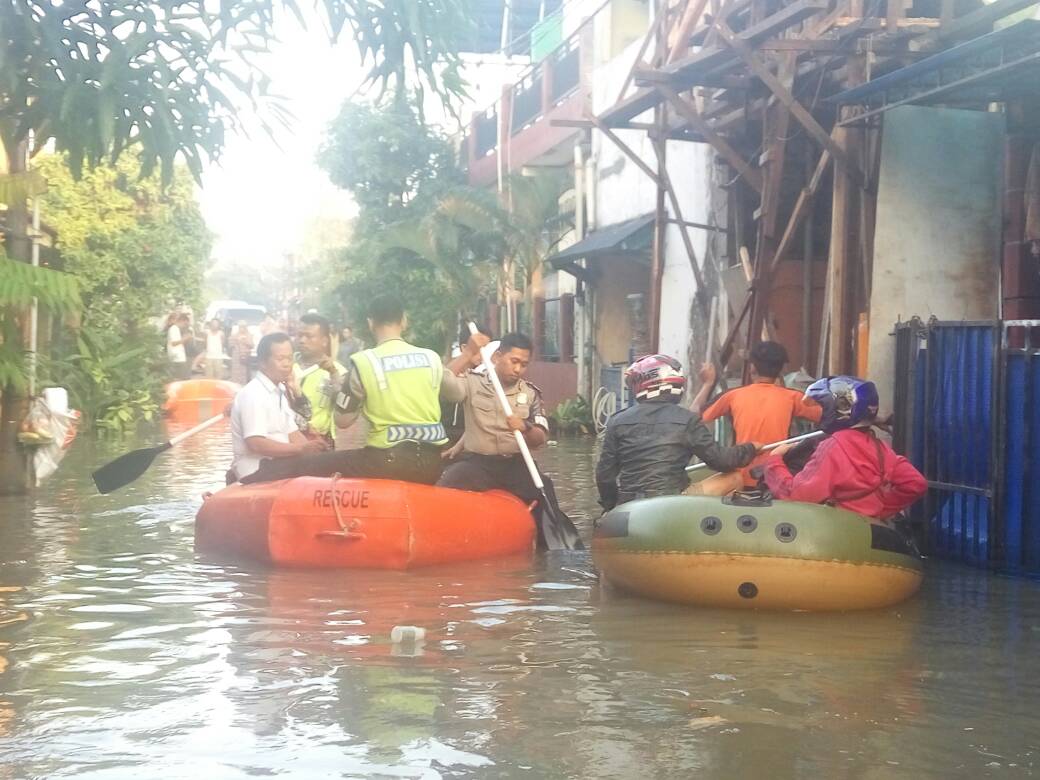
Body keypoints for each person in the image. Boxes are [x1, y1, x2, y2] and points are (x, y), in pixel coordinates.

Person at [240, 295, 484, 485]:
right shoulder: (430, 359)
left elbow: (343, 420)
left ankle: (260, 486)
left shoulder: (365, 362)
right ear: (404, 321)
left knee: (311, 463)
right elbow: (459, 393)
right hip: (431, 462)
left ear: (370, 323)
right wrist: (468, 355)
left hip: (386, 461)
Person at [596, 354, 760, 510]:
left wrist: (611, 507)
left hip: (630, 503)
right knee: (735, 478)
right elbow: (720, 461)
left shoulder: (617, 421)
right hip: (673, 502)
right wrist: (751, 448)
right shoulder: (687, 420)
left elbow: (605, 476)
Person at [764, 376, 927, 520]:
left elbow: (796, 496)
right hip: (870, 531)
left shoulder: (833, 446)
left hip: (837, 535)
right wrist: (880, 509)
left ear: (842, 409)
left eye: (826, 408)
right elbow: (916, 483)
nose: (824, 414)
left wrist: (774, 461)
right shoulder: (881, 449)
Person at [437, 333, 553, 505]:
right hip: (478, 464)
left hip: (514, 464)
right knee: (444, 487)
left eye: (524, 364)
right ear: (498, 357)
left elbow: (540, 439)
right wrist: (468, 354)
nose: (517, 369)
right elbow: (443, 383)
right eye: (513, 361)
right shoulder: (472, 383)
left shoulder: (531, 394)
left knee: (546, 488)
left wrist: (525, 427)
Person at [690, 341, 822, 491]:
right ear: (779, 370)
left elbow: (693, 416)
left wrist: (708, 383)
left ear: (752, 368)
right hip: (775, 479)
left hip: (740, 481)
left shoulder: (733, 395)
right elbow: (830, 417)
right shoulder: (793, 398)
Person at [227, 332, 327, 483]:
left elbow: (293, 433)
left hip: (278, 463)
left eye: (289, 358)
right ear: (262, 362)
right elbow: (255, 443)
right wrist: (301, 450)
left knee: (329, 460)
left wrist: (313, 449)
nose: (287, 364)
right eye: (280, 359)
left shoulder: (279, 391)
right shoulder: (253, 394)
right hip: (257, 469)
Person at [293, 313, 346, 445]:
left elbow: (343, 405)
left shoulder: (337, 371)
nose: (302, 340)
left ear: (324, 341)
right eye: (300, 335)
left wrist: (334, 374)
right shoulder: (285, 364)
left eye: (309, 336)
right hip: (287, 440)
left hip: (319, 441)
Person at [166, 312, 191, 381]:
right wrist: (186, 338)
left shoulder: (175, 329)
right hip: (177, 358)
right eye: (185, 323)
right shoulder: (174, 328)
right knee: (179, 379)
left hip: (178, 357)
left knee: (179, 378)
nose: (184, 326)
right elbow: (174, 343)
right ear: (181, 321)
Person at [229, 321, 254, 385]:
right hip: (236, 358)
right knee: (236, 374)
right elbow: (230, 345)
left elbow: (252, 345)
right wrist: (236, 340)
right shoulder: (234, 335)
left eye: (244, 327)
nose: (242, 328)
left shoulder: (249, 335)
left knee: (245, 374)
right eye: (241, 327)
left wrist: (245, 341)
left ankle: (244, 387)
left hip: (246, 358)